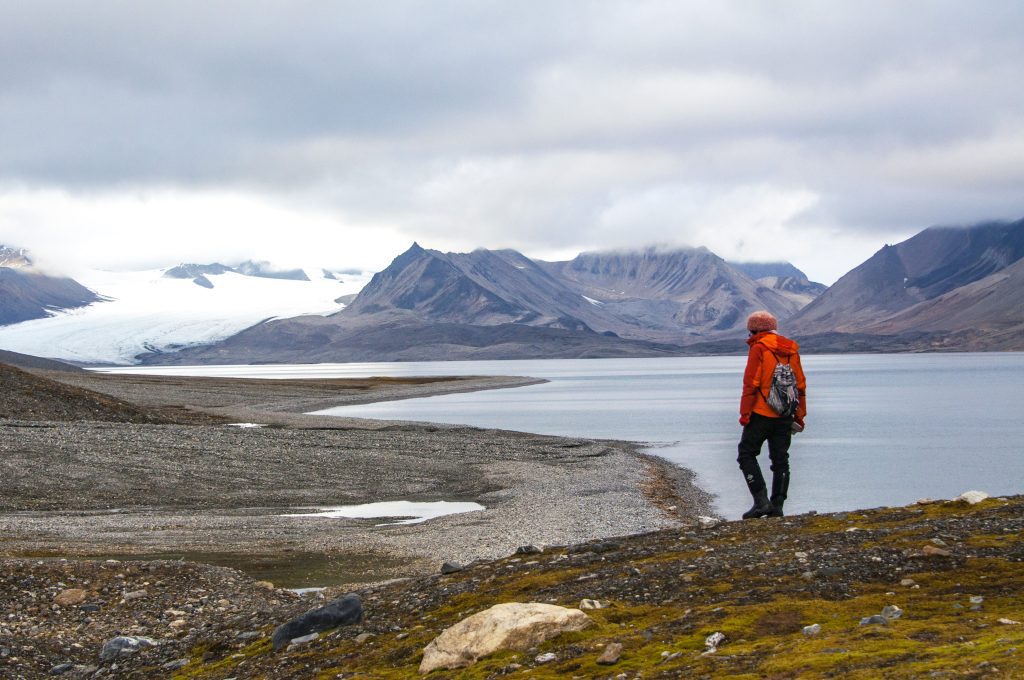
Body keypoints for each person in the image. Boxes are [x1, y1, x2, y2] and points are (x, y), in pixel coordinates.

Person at [737, 310, 806, 519]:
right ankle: (777, 507)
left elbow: (751, 383)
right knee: (780, 459)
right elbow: (800, 384)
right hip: (786, 413)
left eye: (750, 331)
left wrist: (745, 413)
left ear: (755, 330)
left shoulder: (759, 348)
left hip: (761, 412)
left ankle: (761, 502)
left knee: (746, 454)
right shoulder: (791, 349)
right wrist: (800, 415)